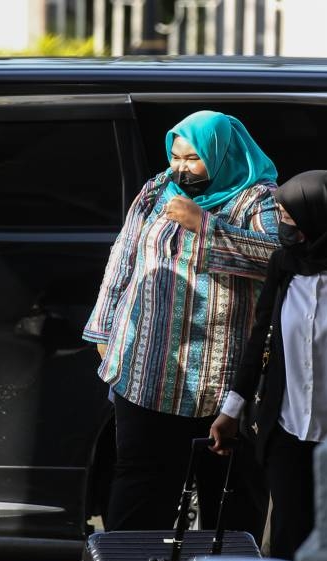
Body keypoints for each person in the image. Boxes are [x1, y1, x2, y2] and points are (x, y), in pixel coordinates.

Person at [82, 110, 280, 538]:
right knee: (140, 488)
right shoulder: (157, 189)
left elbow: (277, 258)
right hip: (148, 371)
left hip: (221, 382)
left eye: (193, 158)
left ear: (221, 154)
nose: (180, 168)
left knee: (230, 499)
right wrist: (104, 330)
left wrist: (205, 226)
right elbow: (124, 257)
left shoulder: (257, 199)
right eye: (176, 156)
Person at [210, 170, 327, 560]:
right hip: (287, 431)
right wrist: (232, 410)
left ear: (323, 220)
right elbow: (260, 338)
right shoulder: (284, 266)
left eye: (290, 218)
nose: (284, 227)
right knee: (288, 540)